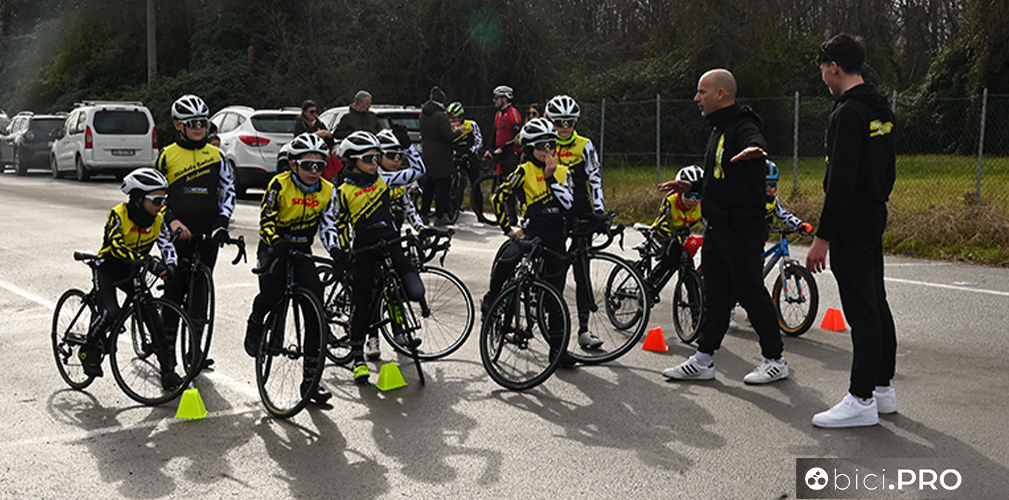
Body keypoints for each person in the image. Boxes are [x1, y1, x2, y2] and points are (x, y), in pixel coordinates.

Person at [661, 69, 788, 385]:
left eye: (701, 91)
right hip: (718, 227)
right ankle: (703, 360)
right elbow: (720, 177)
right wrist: (692, 185)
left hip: (742, 228)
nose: (696, 98)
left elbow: (754, 140)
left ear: (721, 94)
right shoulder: (718, 128)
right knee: (716, 295)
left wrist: (755, 149)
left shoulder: (743, 125)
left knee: (750, 291)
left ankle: (775, 360)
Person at [807, 34, 897, 428]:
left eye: (823, 71)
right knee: (875, 302)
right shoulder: (880, 109)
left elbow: (841, 181)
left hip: (852, 220)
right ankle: (881, 388)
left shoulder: (847, 114)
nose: (823, 78)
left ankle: (860, 399)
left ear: (834, 67)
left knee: (861, 310)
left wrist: (822, 237)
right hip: (874, 212)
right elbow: (888, 168)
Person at [244, 133, 338, 405]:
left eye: (319, 165)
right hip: (275, 247)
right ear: (293, 165)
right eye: (308, 165)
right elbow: (266, 221)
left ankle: (310, 381)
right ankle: (256, 320)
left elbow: (329, 226)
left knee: (315, 313)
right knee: (272, 294)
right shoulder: (279, 184)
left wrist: (338, 251)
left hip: (302, 251)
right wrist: (275, 242)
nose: (314, 171)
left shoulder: (327, 190)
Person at [331, 131, 426, 383]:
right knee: (362, 302)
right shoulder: (343, 191)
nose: (375, 162)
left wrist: (408, 147)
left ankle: (394, 325)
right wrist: (342, 253)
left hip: (391, 245)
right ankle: (358, 357)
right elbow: (339, 226)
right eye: (369, 158)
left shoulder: (385, 179)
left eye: (377, 156)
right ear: (353, 160)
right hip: (364, 250)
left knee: (415, 291)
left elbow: (419, 170)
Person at [78, 168, 183, 390]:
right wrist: (150, 263)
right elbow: (116, 247)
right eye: (157, 200)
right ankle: (87, 349)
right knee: (111, 313)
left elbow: (166, 246)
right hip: (108, 268)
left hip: (134, 271)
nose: (161, 206)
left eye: (164, 200)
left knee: (154, 321)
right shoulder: (118, 214)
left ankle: (168, 372)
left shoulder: (157, 220)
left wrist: (171, 266)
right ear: (137, 198)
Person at [483, 117, 575, 366]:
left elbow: (569, 204)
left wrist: (551, 177)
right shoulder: (523, 171)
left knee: (556, 296)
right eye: (542, 146)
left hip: (556, 238)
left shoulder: (563, 171)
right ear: (530, 148)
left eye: (552, 145)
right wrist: (508, 229)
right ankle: (492, 297)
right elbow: (498, 197)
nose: (548, 150)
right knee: (508, 258)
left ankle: (558, 350)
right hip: (532, 233)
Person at [158, 95, 236, 370]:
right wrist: (172, 221)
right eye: (192, 123)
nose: (199, 127)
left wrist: (221, 223)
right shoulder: (167, 155)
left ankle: (195, 349)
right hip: (176, 233)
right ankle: (167, 353)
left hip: (207, 234)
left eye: (203, 122)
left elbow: (229, 192)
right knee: (175, 289)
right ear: (178, 125)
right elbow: (155, 196)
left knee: (200, 293)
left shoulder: (217, 156)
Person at [545, 95, 606, 349]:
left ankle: (583, 329)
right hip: (553, 211)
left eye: (569, 122)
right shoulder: (545, 145)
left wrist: (599, 210)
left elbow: (595, 177)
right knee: (555, 268)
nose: (564, 127)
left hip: (580, 210)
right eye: (559, 122)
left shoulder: (584, 144)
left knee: (582, 270)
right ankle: (552, 321)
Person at [362, 128, 430, 360]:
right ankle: (371, 338)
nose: (397, 160)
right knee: (373, 291)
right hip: (369, 242)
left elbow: (408, 207)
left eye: (400, 155)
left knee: (395, 287)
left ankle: (399, 331)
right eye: (391, 155)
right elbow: (420, 170)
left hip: (392, 239)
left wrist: (421, 229)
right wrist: (410, 148)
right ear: (378, 156)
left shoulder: (398, 180)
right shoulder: (378, 178)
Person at [727, 160, 813, 328]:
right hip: (741, 241)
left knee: (756, 276)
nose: (769, 188)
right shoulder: (748, 199)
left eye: (773, 184)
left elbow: (783, 215)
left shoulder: (773, 201)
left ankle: (753, 310)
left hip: (758, 242)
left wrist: (800, 224)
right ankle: (729, 310)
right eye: (765, 184)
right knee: (738, 274)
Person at [644, 165, 704, 303]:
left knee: (688, 267)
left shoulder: (701, 206)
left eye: (698, 196)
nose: (693, 200)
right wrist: (673, 237)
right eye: (689, 195)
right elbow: (662, 224)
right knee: (672, 255)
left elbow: (710, 225)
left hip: (682, 237)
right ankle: (650, 281)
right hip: (662, 234)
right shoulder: (671, 200)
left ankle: (696, 309)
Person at [419, 86, 461, 226]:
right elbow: (448, 136)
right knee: (442, 187)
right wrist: (458, 131)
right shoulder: (441, 116)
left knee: (429, 186)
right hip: (441, 157)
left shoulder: (423, 114)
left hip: (427, 154)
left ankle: (424, 213)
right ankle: (439, 216)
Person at [446, 101, 484, 214]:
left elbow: (479, 141)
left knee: (475, 184)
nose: (452, 120)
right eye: (450, 117)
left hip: (470, 157)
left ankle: (479, 210)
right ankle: (452, 206)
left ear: (460, 116)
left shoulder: (471, 124)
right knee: (450, 182)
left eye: (454, 117)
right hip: (455, 156)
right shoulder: (448, 126)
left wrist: (471, 151)